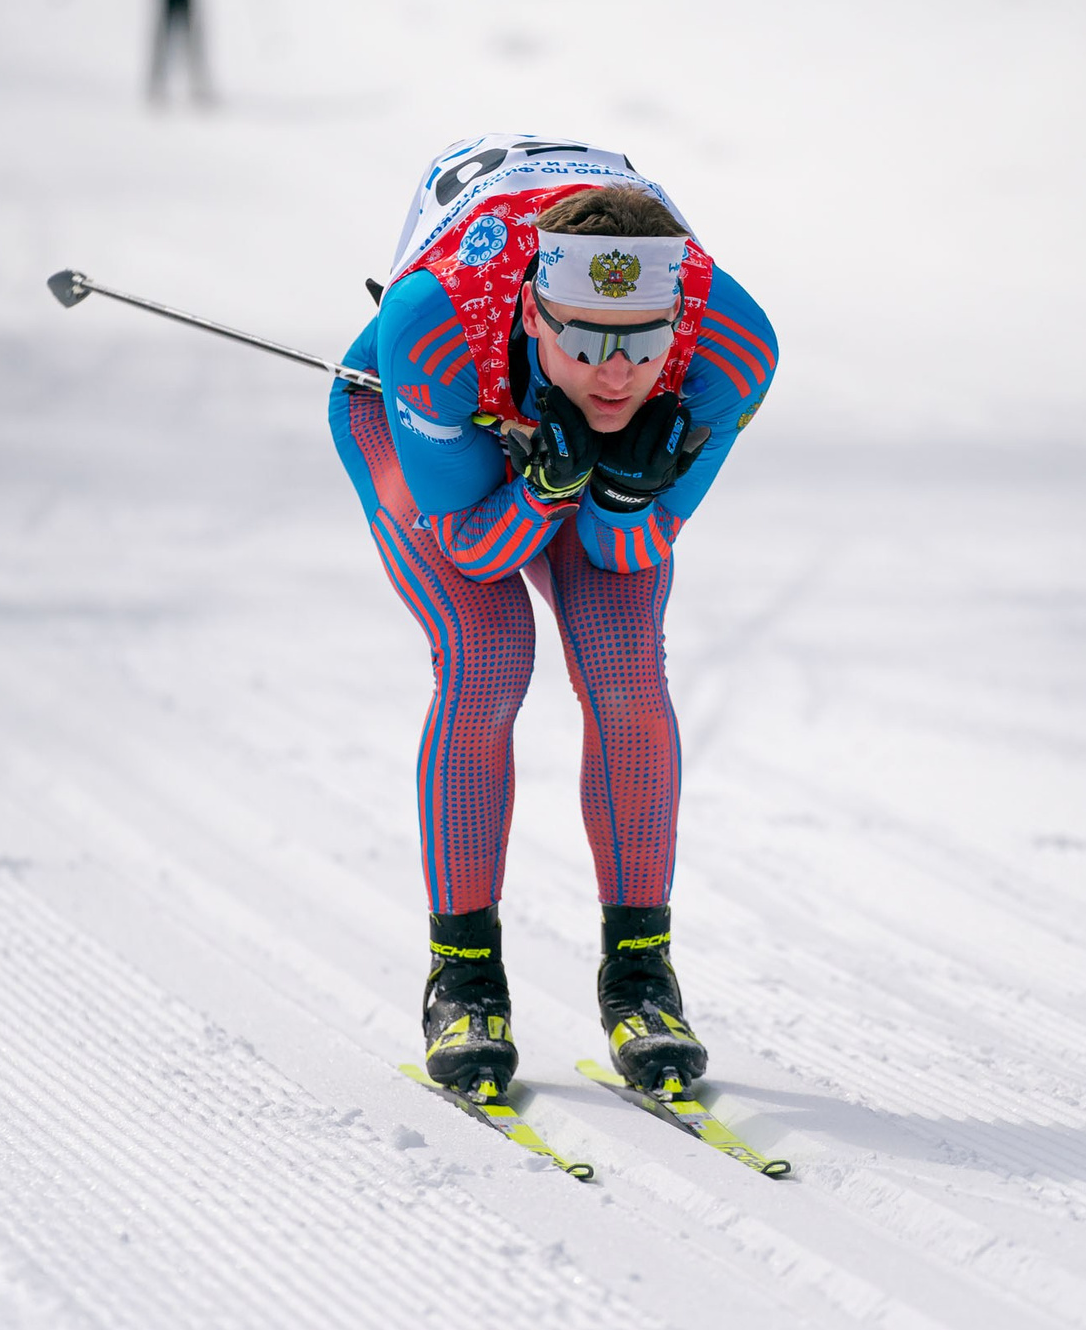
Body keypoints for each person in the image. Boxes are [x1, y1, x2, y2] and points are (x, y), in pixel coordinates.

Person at [328, 136, 780, 1095]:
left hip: (547, 429)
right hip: (439, 409)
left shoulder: (732, 347)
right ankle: (463, 978)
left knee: (624, 668)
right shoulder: (435, 327)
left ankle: (642, 976)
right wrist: (543, 488)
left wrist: (619, 492)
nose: (616, 375)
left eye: (642, 346)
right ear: (533, 311)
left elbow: (623, 551)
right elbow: (473, 549)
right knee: (489, 652)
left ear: (679, 321)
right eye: (585, 342)